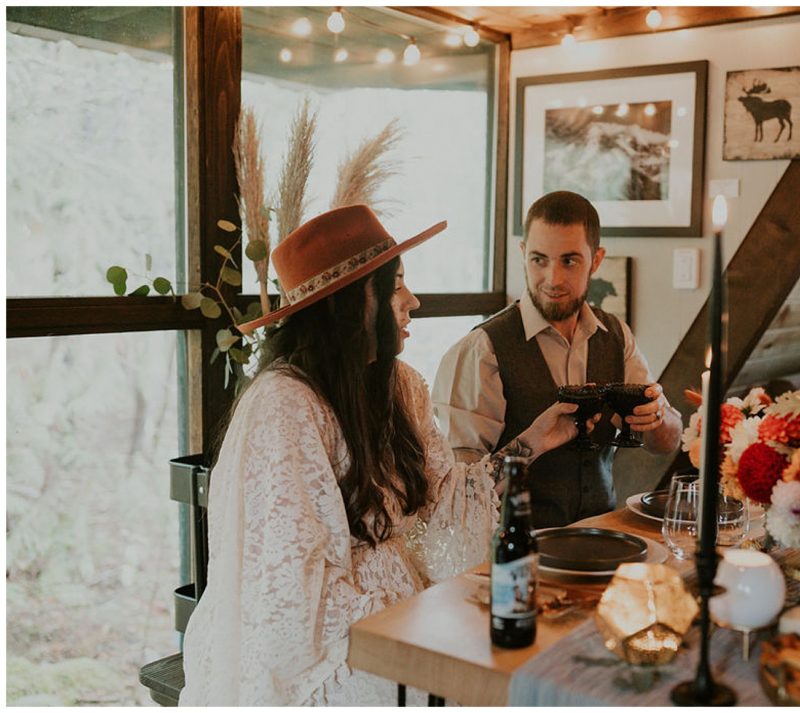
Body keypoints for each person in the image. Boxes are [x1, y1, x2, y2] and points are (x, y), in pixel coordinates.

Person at [179, 205, 581, 705]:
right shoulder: (285, 406)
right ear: (349, 304)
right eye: (395, 287)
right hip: (333, 649)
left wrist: (535, 440)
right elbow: (292, 599)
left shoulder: (398, 384)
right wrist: (418, 623)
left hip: (403, 612)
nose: (413, 301)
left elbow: (446, 500)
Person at [434, 191, 682, 528]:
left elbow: (665, 444)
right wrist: (532, 442)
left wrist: (660, 417)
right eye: (539, 260)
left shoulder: (616, 336)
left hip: (601, 538)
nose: (552, 279)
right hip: (513, 552)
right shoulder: (482, 350)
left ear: (595, 260)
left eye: (569, 261)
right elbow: (458, 493)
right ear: (523, 255)